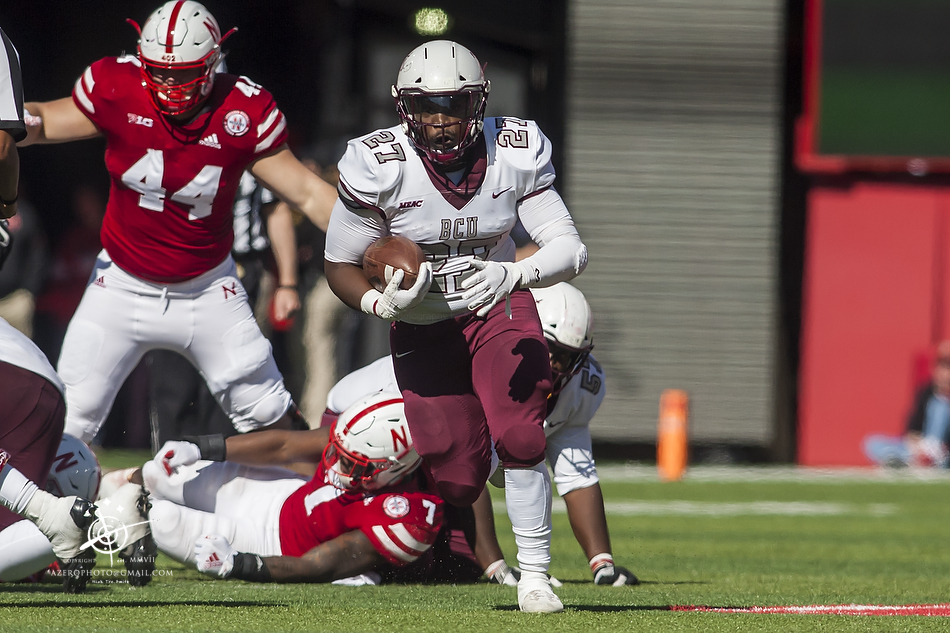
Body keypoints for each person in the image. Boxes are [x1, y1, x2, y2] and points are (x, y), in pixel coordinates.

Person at [323, 40, 588, 612]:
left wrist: (512, 275)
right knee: (458, 480)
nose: (440, 123)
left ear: (480, 103)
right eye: (426, 108)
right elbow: (340, 265)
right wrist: (377, 305)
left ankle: (537, 576)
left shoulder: (514, 150)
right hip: (422, 323)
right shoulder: (377, 163)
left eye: (455, 107)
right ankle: (493, 455)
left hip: (495, 304)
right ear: (402, 108)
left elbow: (571, 249)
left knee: (522, 435)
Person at [18, 1, 336, 448]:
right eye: (158, 71)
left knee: (270, 416)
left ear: (211, 64)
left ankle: (314, 509)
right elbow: (45, 120)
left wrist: (373, 237)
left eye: (183, 72)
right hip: (121, 284)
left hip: (207, 290)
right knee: (67, 421)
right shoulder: (118, 84)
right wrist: (10, 120)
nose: (168, 83)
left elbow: (305, 192)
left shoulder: (240, 109)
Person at [322, 283, 638, 587]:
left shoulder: (579, 388)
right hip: (362, 429)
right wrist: (497, 567)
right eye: (549, 349)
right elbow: (462, 459)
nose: (555, 365)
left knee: (458, 565)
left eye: (567, 356)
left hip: (427, 454)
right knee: (412, 547)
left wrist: (602, 565)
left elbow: (576, 473)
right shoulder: (480, 361)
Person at [138, 391, 445, 583]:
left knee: (164, 521)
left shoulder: (408, 516)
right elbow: (285, 445)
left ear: (392, 468)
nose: (333, 462)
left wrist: (240, 564)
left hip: (275, 546)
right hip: (283, 497)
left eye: (350, 463)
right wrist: (200, 447)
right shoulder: (360, 437)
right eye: (337, 449)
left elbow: (318, 566)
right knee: (157, 473)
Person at [863, 340, 950, 468]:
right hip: (920, 449)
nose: (945, 374)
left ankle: (927, 462)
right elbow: (911, 429)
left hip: (943, 454)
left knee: (940, 407)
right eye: (942, 367)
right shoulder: (926, 393)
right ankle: (905, 462)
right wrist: (918, 445)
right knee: (872, 442)